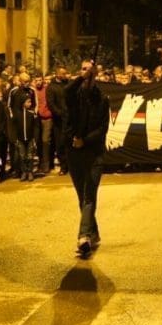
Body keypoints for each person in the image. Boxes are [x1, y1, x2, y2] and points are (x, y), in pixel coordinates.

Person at [64, 60, 110, 258]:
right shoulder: (74, 94)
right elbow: (66, 93)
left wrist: (85, 141)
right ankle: (93, 234)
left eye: (89, 70)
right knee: (81, 197)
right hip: (74, 153)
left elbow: (102, 128)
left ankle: (84, 237)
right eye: (82, 69)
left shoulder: (101, 97)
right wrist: (82, 76)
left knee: (88, 196)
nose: (85, 72)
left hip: (93, 153)